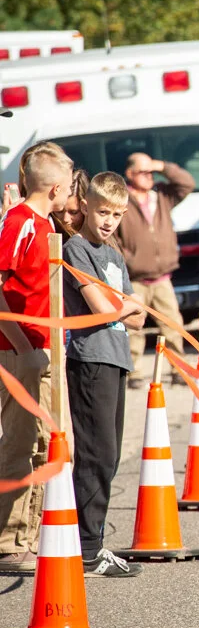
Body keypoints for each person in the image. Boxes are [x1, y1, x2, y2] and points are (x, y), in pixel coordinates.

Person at [63, 172, 146, 578]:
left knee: (110, 453)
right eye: (102, 212)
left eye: (117, 214)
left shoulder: (113, 255)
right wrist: (124, 306)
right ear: (86, 207)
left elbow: (138, 315)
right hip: (90, 357)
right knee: (97, 453)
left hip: (117, 356)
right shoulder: (77, 249)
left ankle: (91, 540)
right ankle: (88, 547)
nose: (109, 221)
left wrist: (125, 307)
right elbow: (102, 308)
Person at [0, 143, 73, 574]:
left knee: (48, 443)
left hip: (43, 349)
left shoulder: (44, 223)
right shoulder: (20, 222)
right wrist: (23, 348)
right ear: (56, 186)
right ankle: (10, 541)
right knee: (19, 444)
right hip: (19, 350)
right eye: (68, 184)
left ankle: (33, 531)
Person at [118, 152, 194, 386]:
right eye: (144, 172)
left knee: (173, 324)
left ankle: (178, 368)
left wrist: (161, 165)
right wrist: (127, 259)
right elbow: (113, 236)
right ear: (130, 174)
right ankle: (135, 372)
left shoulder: (161, 195)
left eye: (152, 172)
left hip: (162, 277)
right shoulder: (121, 200)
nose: (150, 176)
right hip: (135, 278)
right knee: (133, 328)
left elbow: (186, 183)